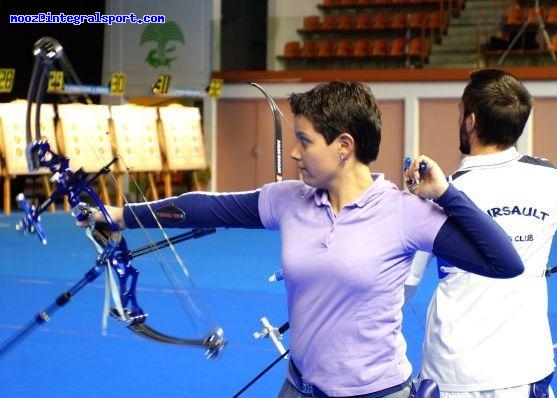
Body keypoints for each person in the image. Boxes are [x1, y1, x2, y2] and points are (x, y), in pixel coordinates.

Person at [87, 81, 524, 398]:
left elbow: (505, 261)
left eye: (304, 141)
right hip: (298, 388)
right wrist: (123, 215)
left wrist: (447, 194)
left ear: (344, 146)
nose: (295, 153)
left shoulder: (404, 213)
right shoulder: (289, 200)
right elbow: (203, 207)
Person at [406, 69, 557, 397]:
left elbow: (404, 285)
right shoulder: (550, 178)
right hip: (529, 368)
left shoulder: (439, 195)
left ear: (471, 121)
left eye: (460, 112)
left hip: (454, 375)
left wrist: (409, 206)